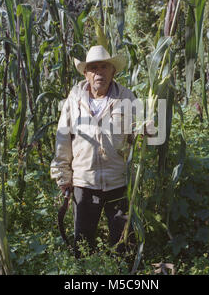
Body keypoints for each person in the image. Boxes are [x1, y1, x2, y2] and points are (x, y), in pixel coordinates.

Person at [50, 45, 136, 258]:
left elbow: (141, 135)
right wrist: (63, 175)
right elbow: (63, 139)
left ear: (113, 71)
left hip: (118, 182)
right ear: (86, 74)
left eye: (104, 67)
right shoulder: (74, 101)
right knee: (83, 243)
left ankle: (121, 276)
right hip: (84, 182)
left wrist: (148, 130)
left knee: (123, 243)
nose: (100, 72)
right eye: (94, 68)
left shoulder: (127, 98)